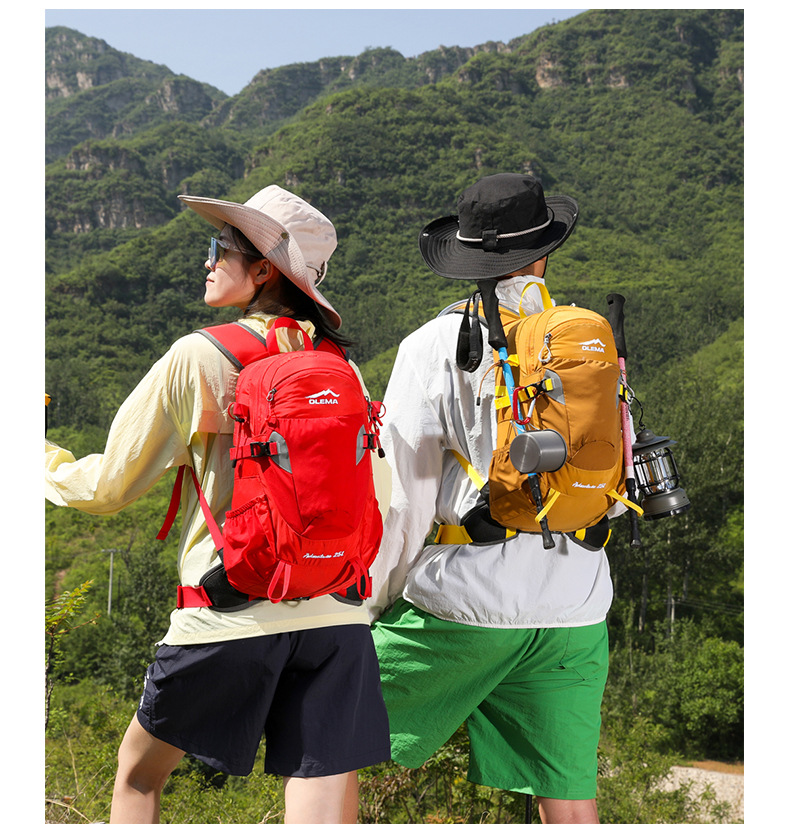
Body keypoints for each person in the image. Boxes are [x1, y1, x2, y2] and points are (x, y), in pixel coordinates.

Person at [45, 185, 391, 824]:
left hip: (228, 608)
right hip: (337, 617)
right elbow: (379, 488)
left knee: (139, 776)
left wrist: (39, 461)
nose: (208, 261)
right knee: (318, 801)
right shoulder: (340, 365)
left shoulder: (200, 355)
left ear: (263, 271)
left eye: (219, 247)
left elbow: (109, 487)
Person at [368, 173, 617, 824]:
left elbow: (404, 501)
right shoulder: (591, 343)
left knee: (323, 720)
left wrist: (368, 607)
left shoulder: (430, 348)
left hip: (468, 602)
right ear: (544, 254)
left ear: (468, 257)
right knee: (568, 799)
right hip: (577, 605)